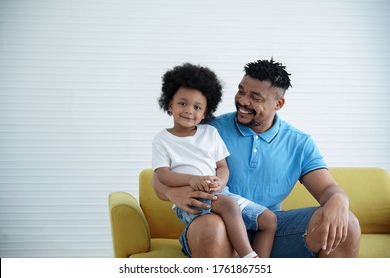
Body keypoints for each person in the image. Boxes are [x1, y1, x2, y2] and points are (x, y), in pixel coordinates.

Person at [152, 58, 361, 258]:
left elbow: (327, 189)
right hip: (215, 226)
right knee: (212, 225)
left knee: (347, 224)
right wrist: (173, 194)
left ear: (278, 104)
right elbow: (159, 177)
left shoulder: (299, 143)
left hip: (268, 231)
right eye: (241, 91)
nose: (243, 100)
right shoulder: (208, 129)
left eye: (255, 97)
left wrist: (340, 200)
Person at [152, 63, 277, 258]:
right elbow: (162, 174)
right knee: (229, 206)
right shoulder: (163, 139)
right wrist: (191, 181)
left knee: (269, 220)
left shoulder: (210, 133)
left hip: (219, 192)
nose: (189, 111)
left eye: (197, 107)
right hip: (191, 198)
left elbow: (222, 166)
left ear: (205, 112)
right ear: (170, 104)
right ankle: (248, 257)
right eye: (182, 103)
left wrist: (220, 181)